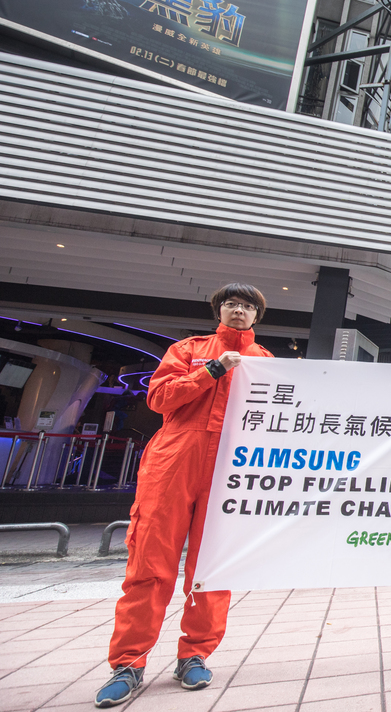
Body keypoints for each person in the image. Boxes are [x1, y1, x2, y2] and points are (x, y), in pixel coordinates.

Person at [95, 284, 273, 708]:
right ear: (219, 310)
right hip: (174, 462)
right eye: (231, 304)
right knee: (149, 562)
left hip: (232, 466)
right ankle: (129, 663)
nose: (239, 311)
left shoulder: (265, 361)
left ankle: (194, 654)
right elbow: (158, 398)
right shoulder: (188, 349)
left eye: (247, 307)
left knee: (213, 567)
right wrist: (211, 370)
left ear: (255, 318)